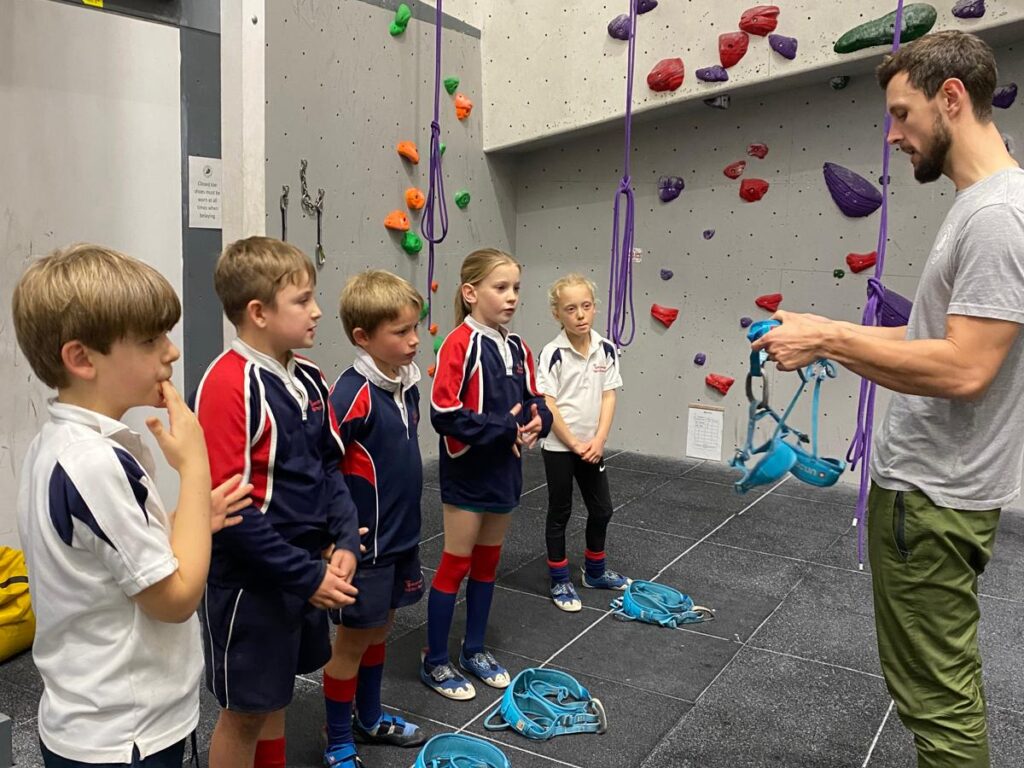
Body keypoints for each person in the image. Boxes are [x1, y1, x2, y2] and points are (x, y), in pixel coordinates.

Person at [753, 31, 1024, 768]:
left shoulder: (997, 216)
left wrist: (831, 340)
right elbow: (937, 334)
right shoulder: (983, 204)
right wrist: (826, 333)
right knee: (942, 688)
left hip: (933, 499)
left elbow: (964, 368)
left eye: (902, 113)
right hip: (938, 493)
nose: (893, 134)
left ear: (951, 97)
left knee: (938, 708)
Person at [13, 244, 250, 767]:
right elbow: (176, 599)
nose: (172, 352)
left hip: (105, 720)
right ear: (82, 359)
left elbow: (114, 551)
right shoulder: (94, 464)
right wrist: (195, 468)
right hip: (124, 735)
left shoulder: (61, 444)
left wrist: (189, 519)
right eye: (150, 340)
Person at [192, 236, 360, 768]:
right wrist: (308, 576)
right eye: (303, 300)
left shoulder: (308, 376)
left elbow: (329, 466)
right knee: (245, 714)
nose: (317, 311)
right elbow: (232, 512)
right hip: (250, 583)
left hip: (302, 572)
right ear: (259, 312)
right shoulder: (227, 384)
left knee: (276, 695)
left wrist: (346, 538)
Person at [422, 248, 552, 700]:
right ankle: (435, 660)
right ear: (470, 292)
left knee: (487, 565)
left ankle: (474, 650)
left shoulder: (518, 347)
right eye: (501, 287)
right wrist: (504, 428)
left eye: (516, 288)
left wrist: (539, 422)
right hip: (468, 472)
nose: (512, 296)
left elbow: (535, 398)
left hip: (505, 471)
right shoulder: (458, 343)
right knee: (455, 564)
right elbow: (444, 414)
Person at [321, 270, 428, 766]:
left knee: (381, 629)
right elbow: (319, 467)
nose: (413, 340)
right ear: (363, 337)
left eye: (415, 327)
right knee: (351, 643)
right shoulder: (350, 395)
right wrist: (331, 537)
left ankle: (368, 717)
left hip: (401, 538)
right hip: (363, 549)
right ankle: (338, 740)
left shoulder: (407, 383)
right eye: (400, 331)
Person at [537, 274, 630, 612]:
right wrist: (574, 443)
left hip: (592, 446)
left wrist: (599, 439)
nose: (580, 315)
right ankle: (559, 579)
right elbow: (548, 403)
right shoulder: (552, 353)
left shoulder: (606, 349)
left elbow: (609, 395)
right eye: (570, 309)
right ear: (557, 313)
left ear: (595, 308)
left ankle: (595, 571)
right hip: (560, 447)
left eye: (586, 306)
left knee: (602, 509)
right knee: (560, 511)